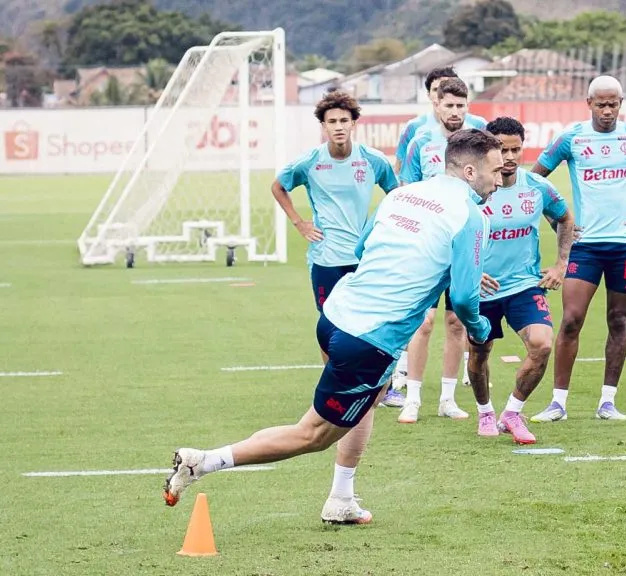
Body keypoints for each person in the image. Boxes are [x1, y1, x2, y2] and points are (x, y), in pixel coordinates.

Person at [163, 129, 502, 518]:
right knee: (313, 434)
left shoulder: (401, 195)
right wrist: (480, 331)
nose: (500, 179)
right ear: (470, 171)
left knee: (371, 398)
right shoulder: (470, 216)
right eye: (495, 171)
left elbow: (362, 248)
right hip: (368, 339)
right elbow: (463, 299)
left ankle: (341, 499)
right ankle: (204, 462)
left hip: (336, 314)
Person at [269, 91, 400, 524]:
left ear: (354, 123)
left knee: (367, 328)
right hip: (326, 261)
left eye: (344, 120)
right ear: (323, 126)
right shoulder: (310, 162)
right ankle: (339, 389)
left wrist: (383, 230)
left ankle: (376, 384)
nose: (339, 127)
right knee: (331, 331)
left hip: (363, 261)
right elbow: (278, 185)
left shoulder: (373, 161)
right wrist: (299, 222)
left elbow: (397, 195)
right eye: (332, 121)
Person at [529, 75, 626, 423]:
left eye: (613, 104)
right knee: (571, 320)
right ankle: (558, 403)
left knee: (618, 319)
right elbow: (535, 181)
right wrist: (560, 223)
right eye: (601, 104)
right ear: (589, 103)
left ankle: (607, 402)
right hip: (585, 247)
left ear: (621, 104)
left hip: (625, 246)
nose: (608, 111)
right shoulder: (571, 139)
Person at [467, 117, 575, 444]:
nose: (510, 157)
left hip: (524, 286)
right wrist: (469, 272)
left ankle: (512, 412)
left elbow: (565, 218)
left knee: (542, 344)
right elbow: (448, 234)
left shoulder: (537, 187)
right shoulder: (472, 192)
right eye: (502, 149)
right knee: (479, 355)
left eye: (516, 149)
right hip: (480, 290)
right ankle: (485, 411)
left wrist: (561, 264)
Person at [390, 67, 488, 390]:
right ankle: (409, 385)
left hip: (465, 239)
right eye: (449, 105)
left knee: (457, 318)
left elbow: (492, 181)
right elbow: (406, 186)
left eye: (461, 105)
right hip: (430, 242)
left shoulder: (481, 136)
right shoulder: (420, 139)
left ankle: (450, 395)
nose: (455, 111)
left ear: (468, 105)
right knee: (424, 319)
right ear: (436, 104)